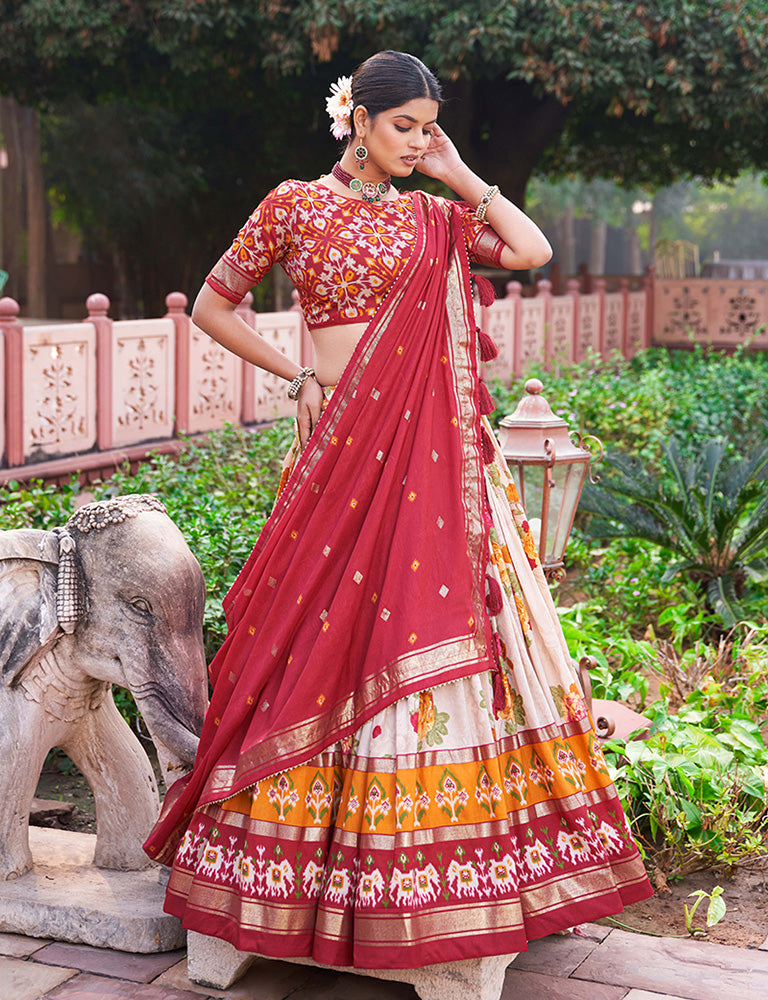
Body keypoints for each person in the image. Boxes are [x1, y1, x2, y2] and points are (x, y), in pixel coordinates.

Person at [144, 50, 652, 970]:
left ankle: (458, 883)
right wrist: (294, 373)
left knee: (446, 636)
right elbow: (213, 307)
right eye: (404, 126)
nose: (418, 142)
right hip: (340, 452)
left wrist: (460, 174)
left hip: (441, 463)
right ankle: (292, 887)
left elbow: (531, 251)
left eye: (429, 127)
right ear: (358, 121)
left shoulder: (436, 216)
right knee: (318, 640)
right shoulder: (294, 205)